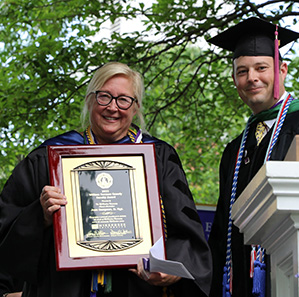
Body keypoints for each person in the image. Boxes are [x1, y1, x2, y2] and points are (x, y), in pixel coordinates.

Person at [0, 62, 212, 297]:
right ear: (90, 100)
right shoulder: (50, 158)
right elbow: (6, 225)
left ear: (135, 108)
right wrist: (41, 216)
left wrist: (172, 267)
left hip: (138, 288)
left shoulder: (158, 158)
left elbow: (186, 232)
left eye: (123, 100)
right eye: (104, 97)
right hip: (64, 288)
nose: (113, 107)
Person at [206, 17, 299, 297]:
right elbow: (222, 229)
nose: (252, 78)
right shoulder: (235, 150)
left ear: (282, 70)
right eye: (242, 71)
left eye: (261, 68)